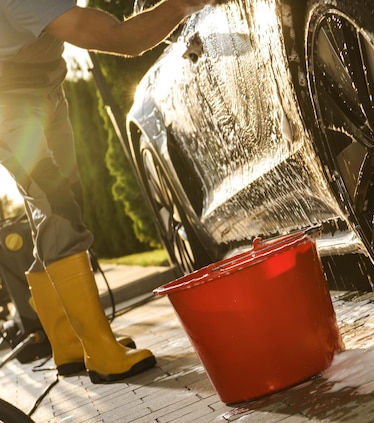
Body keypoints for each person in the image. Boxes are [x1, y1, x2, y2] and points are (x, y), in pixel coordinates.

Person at [0, 0, 216, 383]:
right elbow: (121, 38)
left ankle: (69, 343)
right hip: (11, 108)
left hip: (43, 90)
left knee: (54, 209)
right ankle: (100, 351)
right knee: (58, 207)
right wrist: (184, 4)